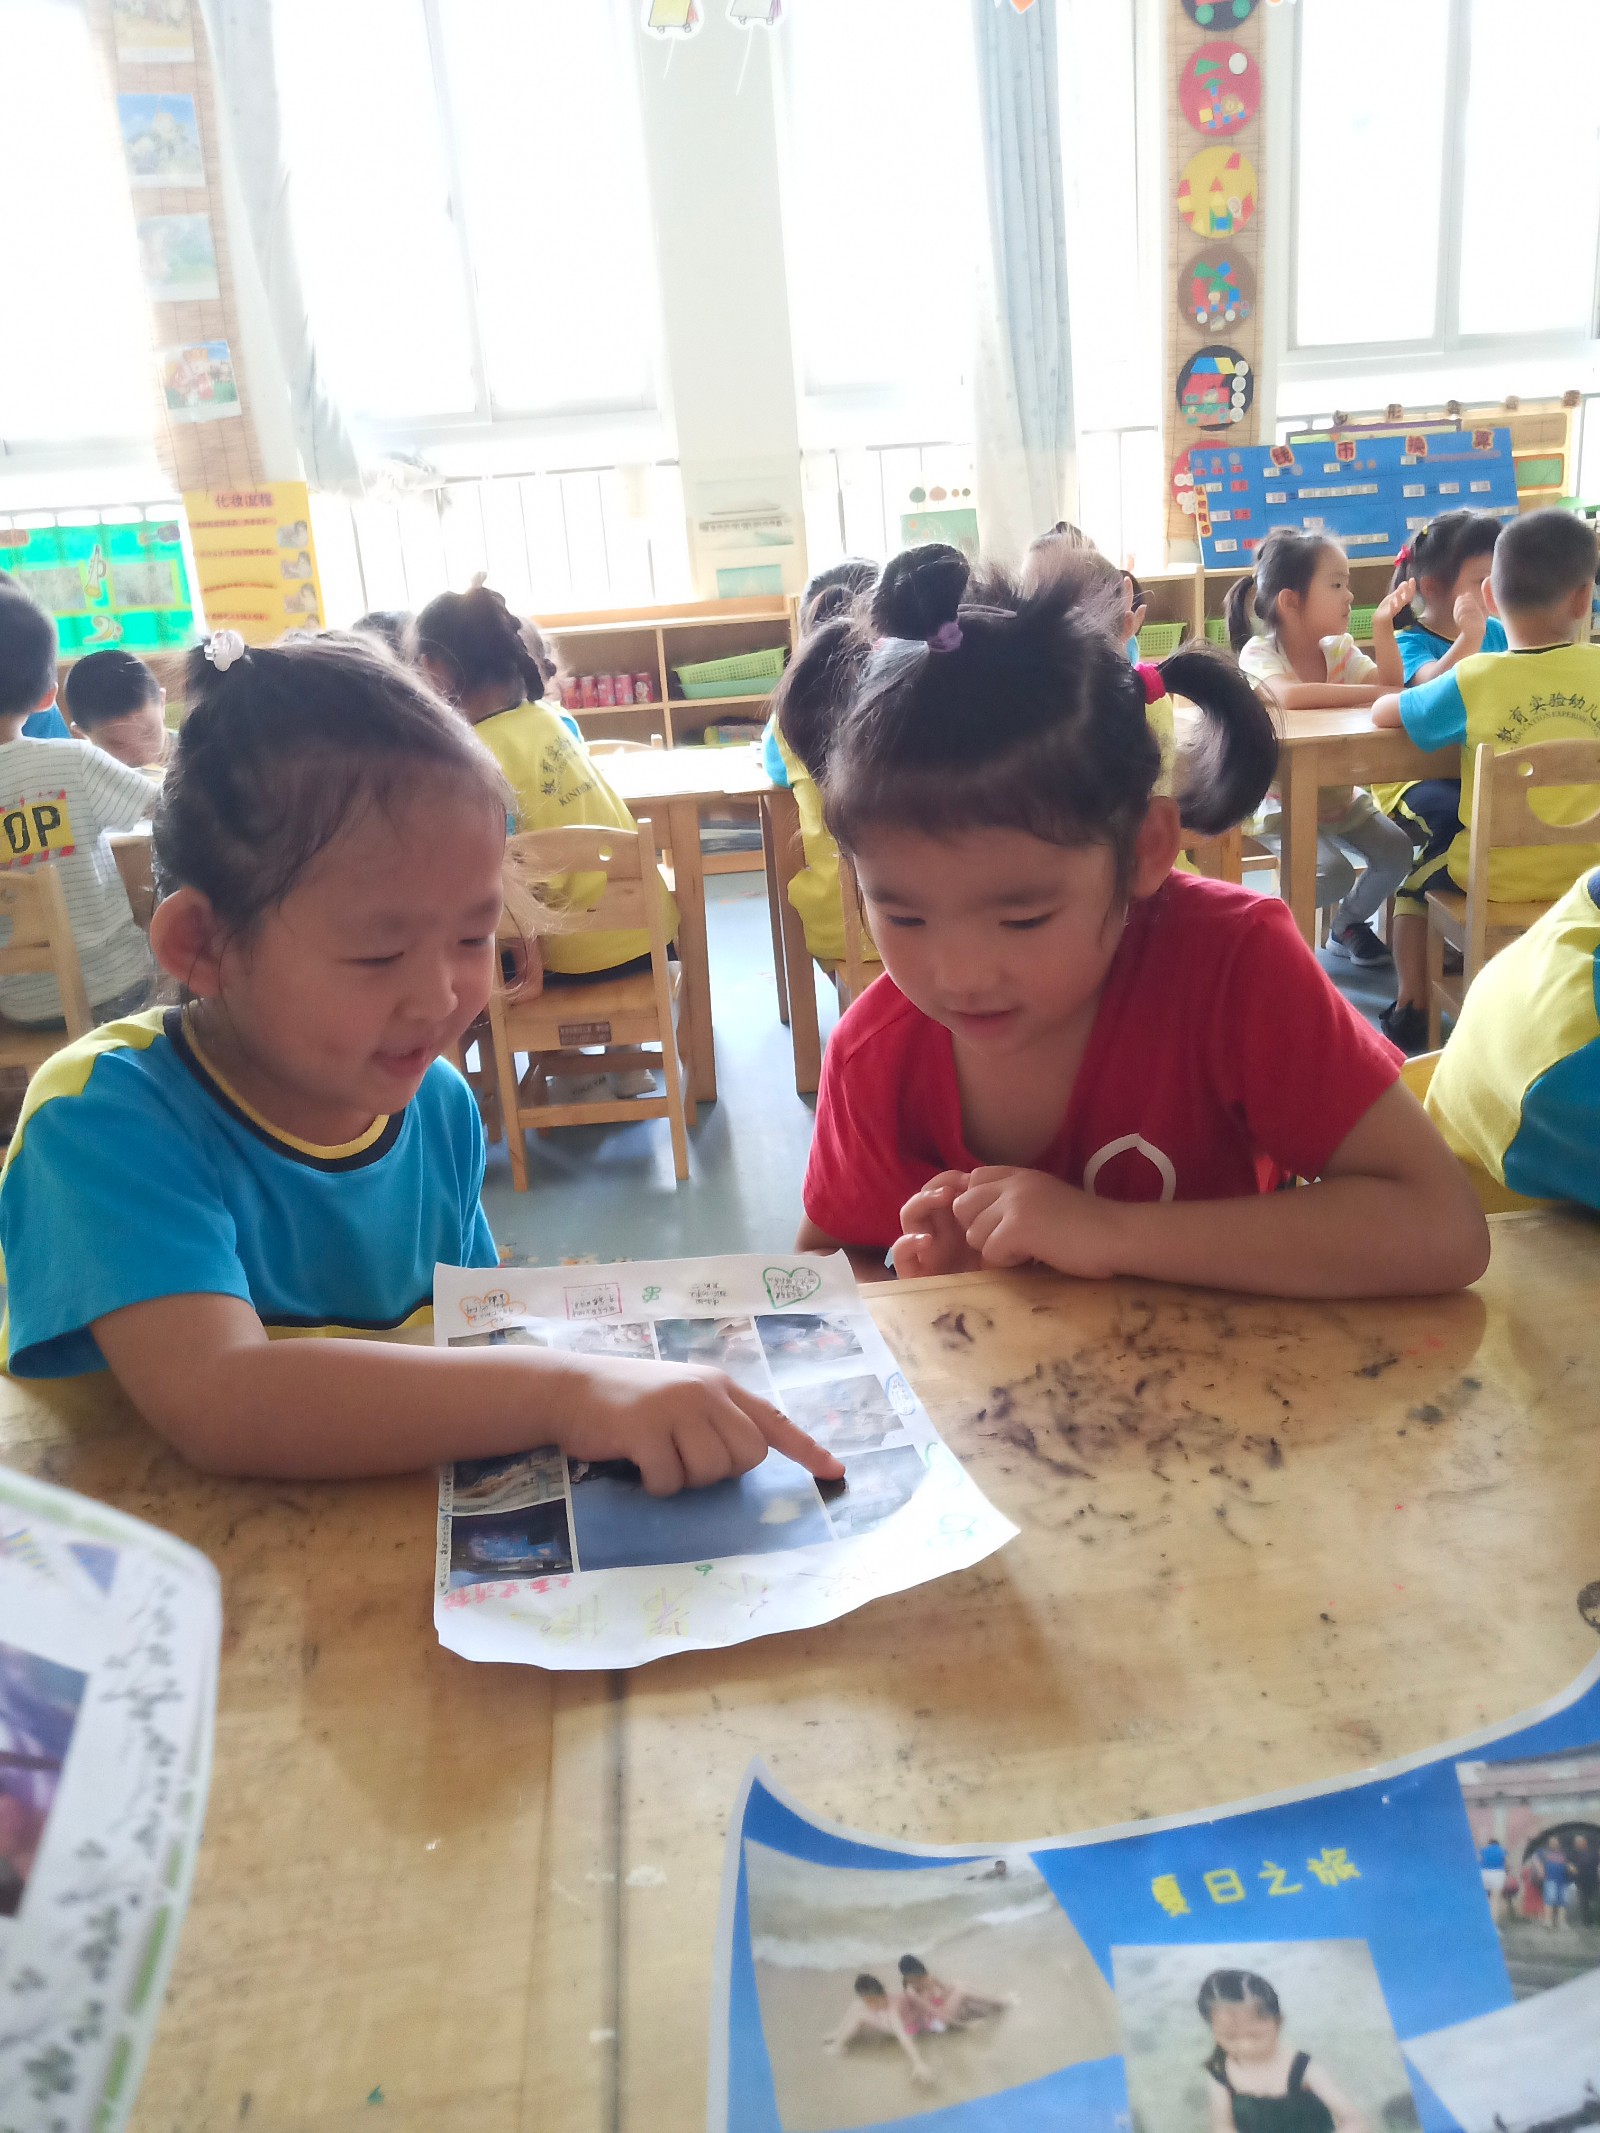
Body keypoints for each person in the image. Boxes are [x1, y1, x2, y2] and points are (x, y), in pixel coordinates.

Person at [0, 629, 843, 1496]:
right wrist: (569, 1390)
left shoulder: (435, 1103)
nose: (441, 995)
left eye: (474, 935)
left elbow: (471, 1339)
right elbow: (223, 1398)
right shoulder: (102, 1116)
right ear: (203, 945)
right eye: (378, 954)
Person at [786, 545, 1489, 1299]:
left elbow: (1442, 1228)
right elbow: (828, 1272)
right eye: (903, 915)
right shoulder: (872, 1056)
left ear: (1147, 849)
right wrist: (927, 1285)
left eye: (1023, 918)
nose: (959, 975)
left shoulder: (1231, 968)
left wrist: (1105, 1233)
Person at [411, 584, 676, 978]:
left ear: (432, 668)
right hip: (650, 938)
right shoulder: (550, 719)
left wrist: (527, 967)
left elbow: (499, 871)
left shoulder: (473, 754)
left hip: (575, 957)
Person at [1373, 508, 1600, 905]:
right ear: (1584, 600)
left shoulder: (1474, 677)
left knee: (1414, 888)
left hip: (1496, 878)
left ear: (1490, 595)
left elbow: (1383, 713)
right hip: (1590, 879)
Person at [1225, 528, 1415, 971]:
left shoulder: (1341, 650)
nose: (1350, 595)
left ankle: (1345, 926)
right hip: (1281, 802)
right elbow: (1289, 696)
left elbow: (1393, 684)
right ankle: (1261, 931)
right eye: (1336, 584)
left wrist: (1383, 627)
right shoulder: (1259, 652)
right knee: (1332, 872)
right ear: (1291, 602)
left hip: (1340, 798)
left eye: (1347, 583)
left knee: (1397, 853)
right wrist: (1376, 694)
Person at [1364, 513, 1508, 1052]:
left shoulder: (1501, 631)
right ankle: (1412, 1000)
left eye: (1498, 578)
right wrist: (1469, 640)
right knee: (1447, 833)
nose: (1492, 592)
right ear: (1431, 586)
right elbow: (1424, 691)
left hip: (1477, 775)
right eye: (1479, 581)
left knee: (1495, 826)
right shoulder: (1411, 641)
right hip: (1412, 780)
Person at [0, 590, 157, 1030]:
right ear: (47, 697)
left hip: (19, 1007)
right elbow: (163, 808)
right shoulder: (73, 760)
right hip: (115, 989)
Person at [1422, 868, 1600, 1206]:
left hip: (1497, 886)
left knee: (1419, 882)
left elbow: (1460, 864)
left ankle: (1409, 996)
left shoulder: (1588, 897)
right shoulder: (1576, 1056)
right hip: (1497, 1227)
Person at [762, 560, 886, 970]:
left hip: (838, 920)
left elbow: (776, 770)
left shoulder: (791, 715)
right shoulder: (911, 696)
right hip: (937, 916)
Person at [1197, 1969, 1366, 2133]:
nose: (1245, 2046)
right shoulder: (1220, 2071)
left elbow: (1353, 2119)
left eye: (1256, 2036)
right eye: (1230, 2037)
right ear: (1213, 2031)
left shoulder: (1301, 2067)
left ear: (1278, 2023)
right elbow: (1222, 2125)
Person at [62, 647, 173, 774]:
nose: (142, 758)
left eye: (149, 733)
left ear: (162, 702)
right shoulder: (79, 777)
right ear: (81, 734)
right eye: (118, 744)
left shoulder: (191, 755)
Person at [823, 1973, 934, 2086]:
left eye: (873, 2001)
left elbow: (903, 2036)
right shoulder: (880, 1997)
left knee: (859, 2014)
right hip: (895, 2019)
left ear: (882, 1994)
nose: (871, 2004)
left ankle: (837, 2046)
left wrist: (918, 2062)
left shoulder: (893, 2011)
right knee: (856, 2005)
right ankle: (839, 2032)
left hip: (908, 2027)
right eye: (868, 2001)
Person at [896, 1954, 1009, 2033]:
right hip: (936, 2023)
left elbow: (944, 1993)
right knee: (962, 1991)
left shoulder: (929, 1978)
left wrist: (948, 1993)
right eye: (909, 1976)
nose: (913, 1979)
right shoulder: (911, 1991)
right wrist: (962, 2025)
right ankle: (1001, 2002)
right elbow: (932, 2010)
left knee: (959, 1985)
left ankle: (996, 2004)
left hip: (941, 2010)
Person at [1541, 1839, 1571, 1929]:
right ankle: (1548, 1921)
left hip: (1563, 1880)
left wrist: (1570, 1868)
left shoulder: (1564, 1854)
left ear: (1559, 1844)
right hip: (1550, 1880)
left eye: (1556, 1842)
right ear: (1549, 1844)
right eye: (1552, 1842)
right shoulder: (1545, 1853)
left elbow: (1568, 1865)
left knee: (1563, 1902)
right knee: (1549, 1900)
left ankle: (1561, 1922)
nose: (1554, 1844)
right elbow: (1540, 1864)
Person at [1478, 1833, 1507, 1905]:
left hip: (1484, 1873)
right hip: (1498, 1873)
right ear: (1498, 1844)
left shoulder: (1483, 1850)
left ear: (1489, 1844)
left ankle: (1485, 1911)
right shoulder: (1502, 1850)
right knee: (1495, 1898)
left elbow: (1479, 1861)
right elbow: (1506, 1863)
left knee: (1485, 1897)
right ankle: (1494, 1911)